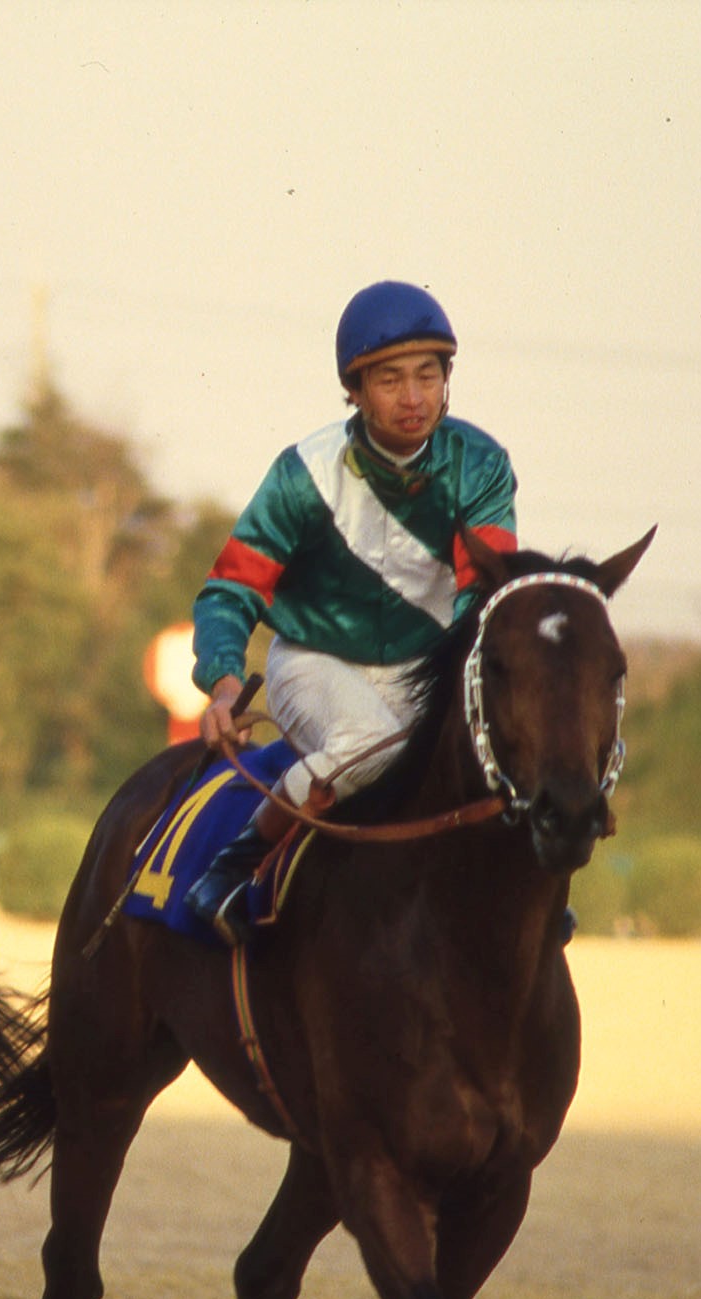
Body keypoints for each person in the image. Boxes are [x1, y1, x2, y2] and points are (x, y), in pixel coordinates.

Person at [183, 281, 520, 944]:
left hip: (426, 668)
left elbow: (483, 595)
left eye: (429, 375)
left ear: (449, 382)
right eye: (390, 379)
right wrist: (224, 681)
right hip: (317, 661)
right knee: (366, 746)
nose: (414, 397)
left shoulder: (479, 466)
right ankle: (233, 866)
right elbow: (229, 590)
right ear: (355, 390)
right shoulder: (303, 473)